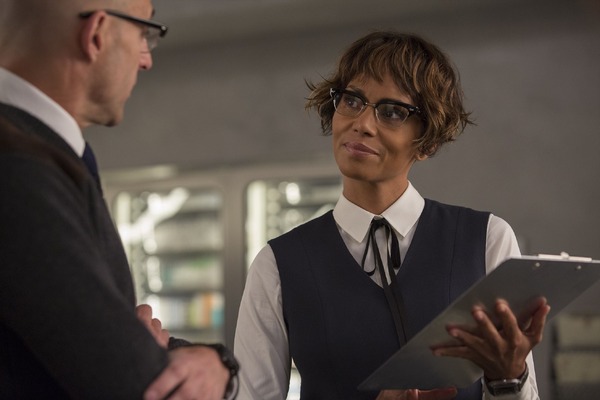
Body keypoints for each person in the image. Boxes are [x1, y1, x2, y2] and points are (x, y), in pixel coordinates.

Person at [233, 31, 550, 400]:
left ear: (428, 141)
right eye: (352, 100)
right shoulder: (277, 264)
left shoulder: (486, 240)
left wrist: (509, 378)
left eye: (393, 112)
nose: (363, 124)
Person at [0, 1, 238, 399]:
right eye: (143, 34)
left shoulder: (39, 151)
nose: (146, 60)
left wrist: (207, 360)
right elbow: (139, 383)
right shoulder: (18, 168)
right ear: (96, 34)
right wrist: (218, 363)